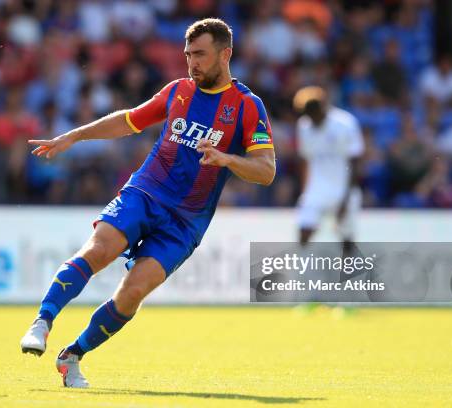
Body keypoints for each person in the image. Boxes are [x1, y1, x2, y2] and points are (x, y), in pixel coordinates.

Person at [20, 18, 275, 388]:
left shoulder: (247, 106)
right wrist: (74, 136)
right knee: (100, 249)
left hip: (186, 221)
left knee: (132, 294)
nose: (193, 63)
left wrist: (227, 159)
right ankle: (42, 322)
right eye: (189, 55)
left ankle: (72, 355)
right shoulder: (178, 91)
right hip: (146, 192)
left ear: (226, 54)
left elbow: (266, 171)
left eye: (201, 55)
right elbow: (128, 121)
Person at [293, 86, 364, 247]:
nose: (311, 119)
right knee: (304, 231)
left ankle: (348, 270)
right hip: (317, 188)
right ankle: (301, 269)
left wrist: (346, 199)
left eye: (314, 113)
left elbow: (355, 162)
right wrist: (306, 192)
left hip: (343, 188)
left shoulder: (345, 123)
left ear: (323, 107)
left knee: (347, 239)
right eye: (308, 114)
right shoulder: (303, 126)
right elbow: (305, 160)